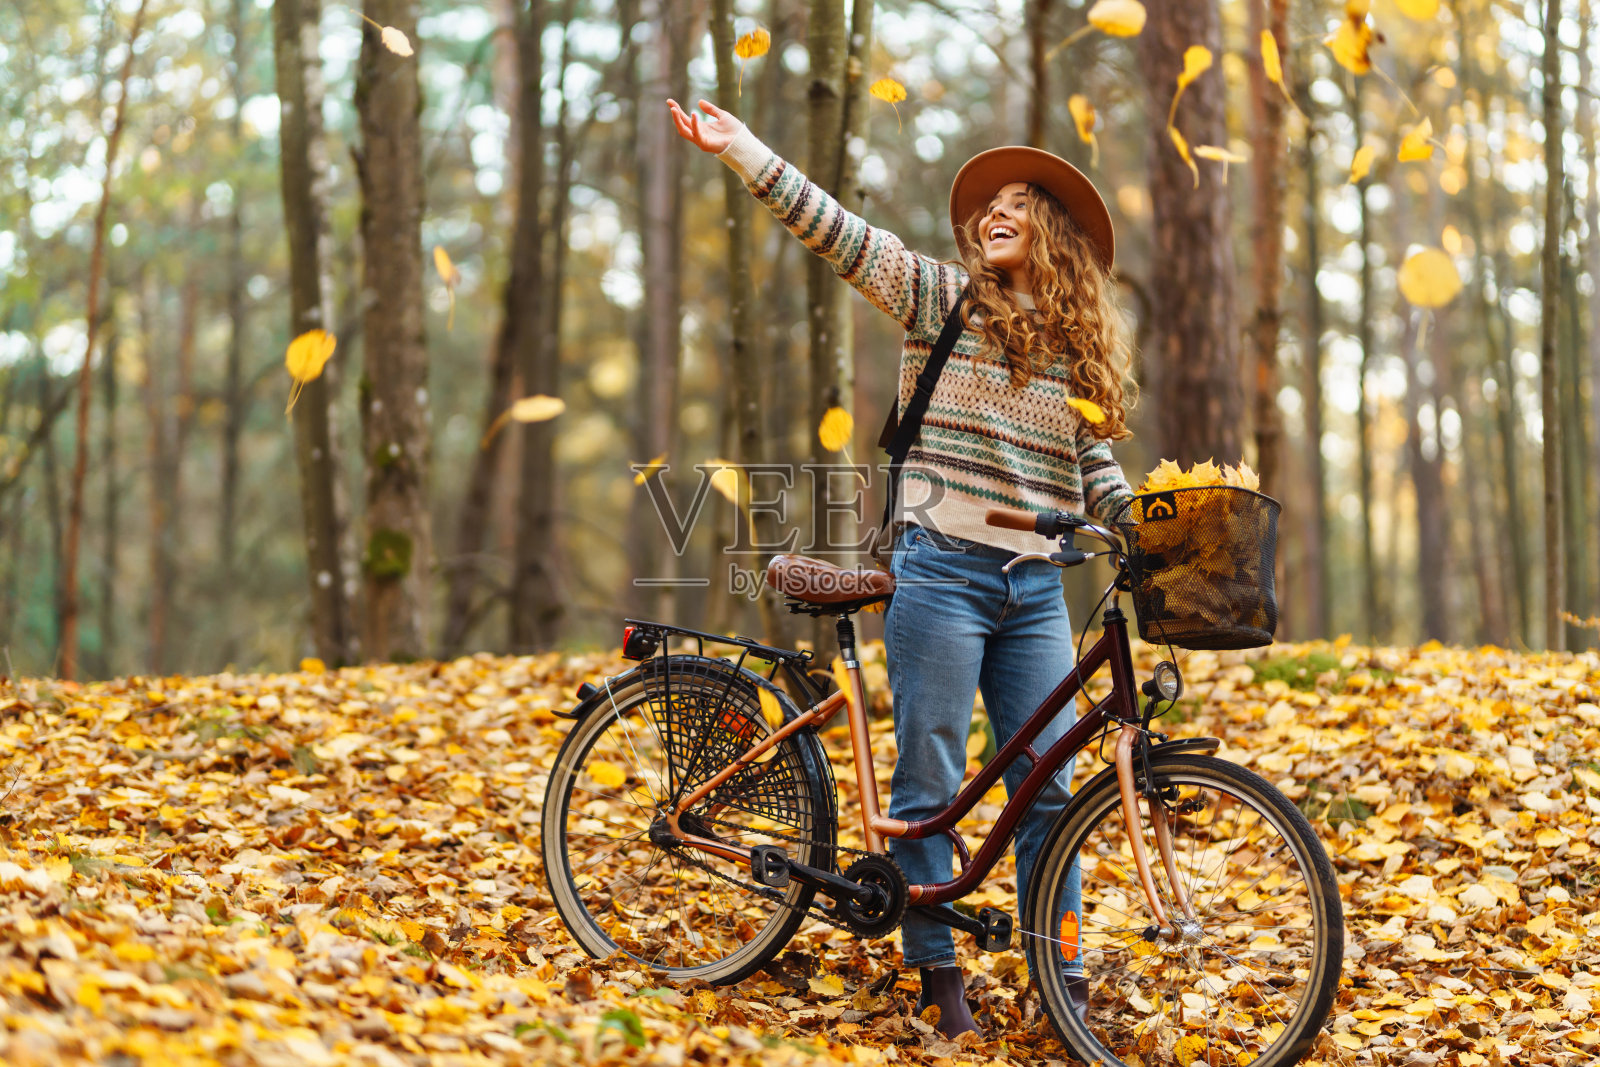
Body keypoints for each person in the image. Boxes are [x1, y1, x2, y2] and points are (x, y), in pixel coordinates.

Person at [669, 97, 1136, 1038]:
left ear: (1053, 234)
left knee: (1047, 787)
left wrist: (1143, 522)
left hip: (1036, 585)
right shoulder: (939, 298)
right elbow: (837, 232)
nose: (995, 212)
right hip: (943, 569)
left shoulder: (1078, 353)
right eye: (989, 203)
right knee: (929, 780)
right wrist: (744, 148)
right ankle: (938, 976)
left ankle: (1066, 981)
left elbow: (1096, 468)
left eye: (1020, 203)